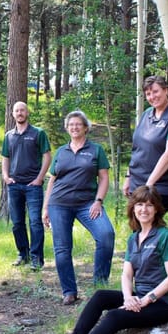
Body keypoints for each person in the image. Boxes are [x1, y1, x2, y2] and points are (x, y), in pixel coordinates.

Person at [36, 185, 168, 334]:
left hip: (165, 303)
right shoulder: (134, 238)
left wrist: (145, 300)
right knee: (101, 296)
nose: (144, 210)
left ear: (156, 209)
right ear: (133, 208)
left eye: (149, 205)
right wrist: (128, 297)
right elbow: (127, 274)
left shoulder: (166, 236)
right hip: (141, 295)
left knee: (115, 316)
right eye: (139, 204)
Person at [43, 111, 115, 305]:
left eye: (78, 124)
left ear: (85, 128)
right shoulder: (61, 152)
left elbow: (104, 178)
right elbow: (52, 181)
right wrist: (45, 208)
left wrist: (98, 201)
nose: (74, 127)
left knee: (106, 235)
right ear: (67, 128)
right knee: (62, 249)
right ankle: (69, 291)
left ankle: (99, 286)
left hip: (87, 203)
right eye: (71, 125)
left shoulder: (96, 150)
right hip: (59, 204)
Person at [1, 101, 51, 270]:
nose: (20, 113)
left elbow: (47, 156)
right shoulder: (9, 135)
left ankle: (37, 259)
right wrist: (6, 176)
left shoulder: (38, 133)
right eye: (17, 111)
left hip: (33, 186)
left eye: (22, 110)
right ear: (12, 114)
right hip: (14, 185)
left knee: (35, 222)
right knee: (17, 223)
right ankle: (23, 254)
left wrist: (39, 178)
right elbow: (5, 157)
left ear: (27, 113)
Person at [123, 75, 168, 211]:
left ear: (166, 90)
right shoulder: (146, 114)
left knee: (146, 224)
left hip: (162, 186)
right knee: (138, 225)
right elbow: (137, 149)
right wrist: (128, 176)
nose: (152, 97)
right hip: (138, 182)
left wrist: (149, 186)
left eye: (155, 91)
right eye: (148, 94)